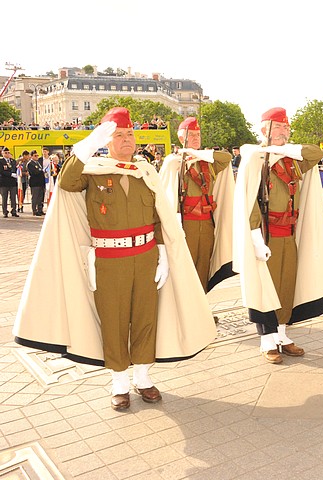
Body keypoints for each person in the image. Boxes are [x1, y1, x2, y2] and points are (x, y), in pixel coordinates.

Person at [14, 107, 217, 411]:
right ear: (106, 141)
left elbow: (159, 215)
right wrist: (86, 144)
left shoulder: (146, 172)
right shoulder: (92, 171)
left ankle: (143, 377)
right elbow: (67, 181)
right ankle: (119, 383)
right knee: (114, 320)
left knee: (146, 319)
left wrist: (162, 251)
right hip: (109, 259)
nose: (126, 140)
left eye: (129, 134)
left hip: (146, 255)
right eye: (118, 135)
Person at [233, 107, 323, 363]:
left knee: (286, 285)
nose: (284, 131)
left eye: (286, 127)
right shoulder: (255, 158)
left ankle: (282, 335)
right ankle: (266, 341)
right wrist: (254, 236)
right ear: (265, 130)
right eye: (278, 127)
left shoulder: (290, 158)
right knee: (265, 288)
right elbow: (249, 200)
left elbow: (315, 154)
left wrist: (283, 149)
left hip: (289, 233)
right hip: (266, 233)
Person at [159, 117, 235, 293]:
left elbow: (226, 158)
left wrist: (201, 154)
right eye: (191, 135)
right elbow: (167, 195)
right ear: (181, 138)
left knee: (203, 268)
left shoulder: (207, 161)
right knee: (185, 270)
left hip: (206, 223)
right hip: (187, 224)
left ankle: (202, 311)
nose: (195, 138)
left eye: (198, 135)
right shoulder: (173, 162)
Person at [0, 147, 19, 217]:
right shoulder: (1, 161)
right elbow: (1, 171)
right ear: (2, 153)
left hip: (13, 182)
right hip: (4, 182)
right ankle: (5, 212)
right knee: (4, 198)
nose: (7, 154)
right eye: (5, 153)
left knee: (13, 198)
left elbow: (15, 169)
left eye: (8, 152)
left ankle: (14, 211)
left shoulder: (13, 161)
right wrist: (10, 174)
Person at [26, 150, 45, 216]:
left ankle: (40, 209)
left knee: (40, 197)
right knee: (35, 197)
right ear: (31, 156)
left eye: (37, 155)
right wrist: (41, 171)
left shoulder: (38, 163)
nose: (37, 157)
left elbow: (40, 170)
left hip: (40, 183)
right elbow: (34, 172)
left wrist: (41, 171)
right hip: (35, 183)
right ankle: (34, 210)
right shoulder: (30, 164)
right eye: (35, 156)